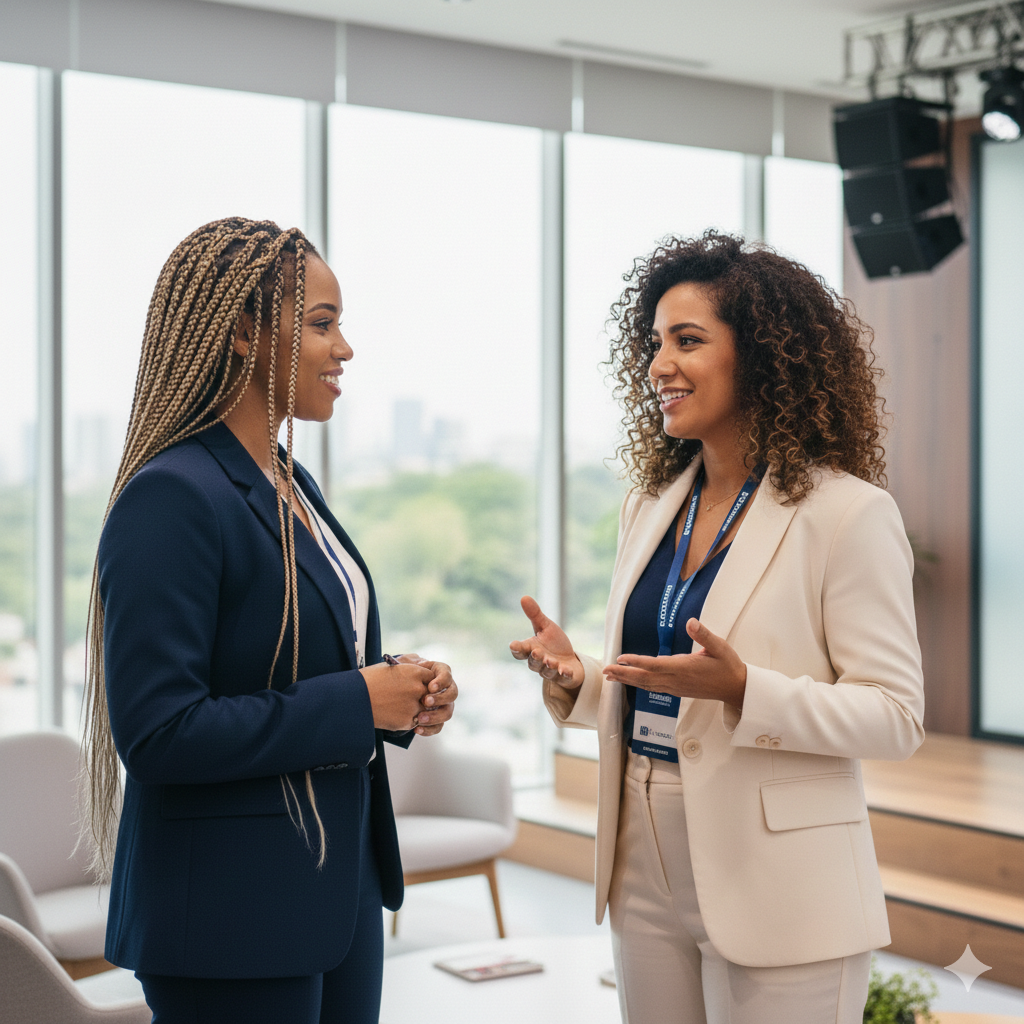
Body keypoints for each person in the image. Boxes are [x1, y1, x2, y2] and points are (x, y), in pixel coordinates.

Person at [511, 231, 924, 1024]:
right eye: (655, 344)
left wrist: (746, 692)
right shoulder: (649, 505)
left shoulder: (848, 514)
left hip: (782, 878)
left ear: (762, 354)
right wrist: (583, 679)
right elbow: (667, 684)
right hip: (642, 855)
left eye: (688, 340)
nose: (659, 365)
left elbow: (895, 716)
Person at [80, 217, 458, 1024]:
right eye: (322, 324)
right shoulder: (172, 495)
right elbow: (158, 733)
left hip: (336, 888)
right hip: (230, 915)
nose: (345, 348)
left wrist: (399, 689)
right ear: (245, 333)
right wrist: (360, 700)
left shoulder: (287, 478)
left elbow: (294, 658)